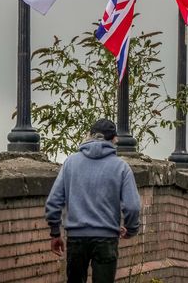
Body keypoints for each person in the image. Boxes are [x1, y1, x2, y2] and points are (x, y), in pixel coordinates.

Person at [45, 118, 142, 283]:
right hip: (106, 238)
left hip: (76, 238)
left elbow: (54, 202)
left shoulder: (70, 163)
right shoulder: (121, 167)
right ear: (114, 140)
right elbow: (132, 207)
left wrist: (55, 232)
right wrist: (131, 229)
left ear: (88, 136)